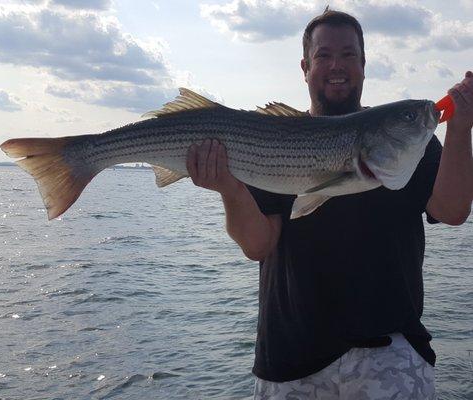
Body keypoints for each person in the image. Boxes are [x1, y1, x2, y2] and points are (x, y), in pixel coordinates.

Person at [186, 9, 473, 400]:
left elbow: (453, 211)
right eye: (324, 55)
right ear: (305, 67)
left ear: (364, 64)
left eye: (349, 54)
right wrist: (229, 188)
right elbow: (257, 245)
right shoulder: (273, 138)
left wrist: (459, 129)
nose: (337, 65)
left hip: (389, 351)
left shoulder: (411, 140)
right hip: (290, 358)